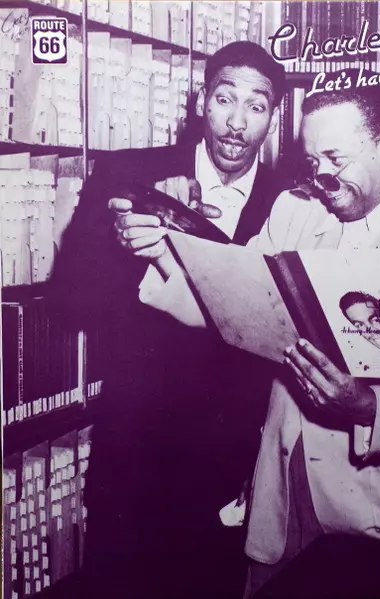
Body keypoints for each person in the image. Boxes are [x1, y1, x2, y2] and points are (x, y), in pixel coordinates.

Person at [111, 72, 380, 596]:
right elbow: (232, 297)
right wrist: (161, 248)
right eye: (312, 161)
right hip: (284, 493)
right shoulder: (297, 210)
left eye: (336, 159)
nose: (322, 178)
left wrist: (369, 407)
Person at [49, 41, 290, 599]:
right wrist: (124, 247)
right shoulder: (129, 174)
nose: (237, 122)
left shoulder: (293, 203)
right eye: (224, 99)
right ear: (201, 100)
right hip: (135, 452)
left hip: (231, 463)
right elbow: (72, 297)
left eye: (256, 106)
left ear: (274, 118)